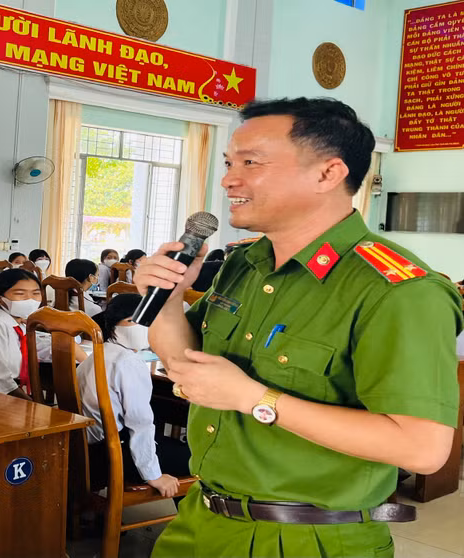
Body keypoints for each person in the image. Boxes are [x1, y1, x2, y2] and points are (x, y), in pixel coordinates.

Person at [136, 97, 462, 557]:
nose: (229, 178)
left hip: (308, 537)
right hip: (202, 517)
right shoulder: (244, 263)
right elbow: (185, 363)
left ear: (328, 174)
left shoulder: (398, 290)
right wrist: (167, 300)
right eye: (230, 162)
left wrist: (256, 398)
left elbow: (423, 449)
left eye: (252, 162)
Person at [78, 293, 189, 497]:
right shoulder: (128, 362)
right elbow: (140, 424)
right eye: (133, 320)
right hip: (114, 454)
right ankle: (189, 524)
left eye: (149, 319)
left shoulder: (100, 352)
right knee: (193, 458)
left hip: (88, 450)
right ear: (113, 324)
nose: (143, 326)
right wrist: (153, 475)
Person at [0, 269, 87, 398]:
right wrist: (30, 404)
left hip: (12, 392)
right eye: (20, 293)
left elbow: (51, 345)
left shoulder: (20, 326)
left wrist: (48, 326)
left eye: (36, 293)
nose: (30, 300)